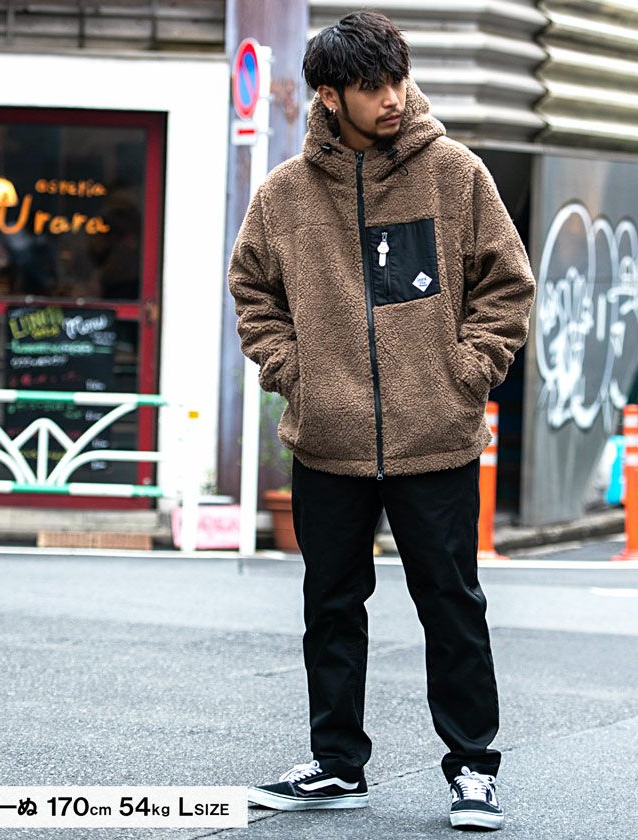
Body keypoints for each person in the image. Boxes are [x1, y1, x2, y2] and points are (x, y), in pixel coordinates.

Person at [227, 11, 535, 832]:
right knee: (330, 606)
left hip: (436, 436)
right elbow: (252, 290)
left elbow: (507, 285)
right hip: (327, 440)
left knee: (452, 605)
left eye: (397, 79)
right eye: (372, 87)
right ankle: (337, 766)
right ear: (331, 96)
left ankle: (473, 768)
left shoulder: (455, 173)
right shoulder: (285, 195)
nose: (393, 98)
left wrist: (467, 374)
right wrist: (294, 374)